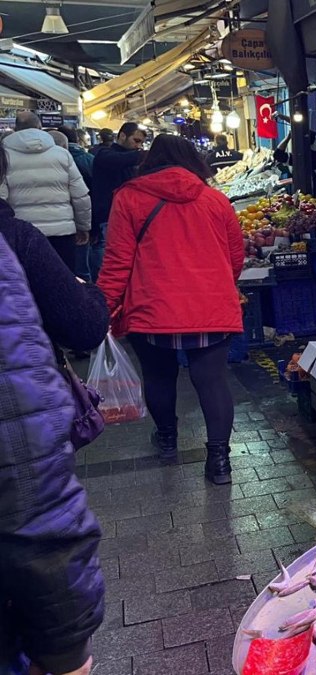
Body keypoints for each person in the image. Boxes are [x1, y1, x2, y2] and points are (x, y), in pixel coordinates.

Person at [0, 144, 108, 675]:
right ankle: (214, 453)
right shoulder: (15, 244)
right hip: (60, 245)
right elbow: (26, 473)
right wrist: (67, 646)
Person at [97, 135, 244, 485]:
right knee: (212, 381)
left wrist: (103, 306)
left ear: (149, 161)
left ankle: (166, 440)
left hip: (152, 309)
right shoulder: (215, 200)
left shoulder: (129, 199)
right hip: (209, 307)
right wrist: (217, 284)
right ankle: (219, 461)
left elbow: (118, 261)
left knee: (159, 377)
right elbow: (234, 257)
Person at [0, 111, 91, 268]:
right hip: (62, 232)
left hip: (23, 234)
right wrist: (83, 226)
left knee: (30, 286)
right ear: (40, 127)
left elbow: (2, 198)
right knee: (65, 283)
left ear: (16, 128)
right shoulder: (63, 154)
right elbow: (80, 195)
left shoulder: (5, 157)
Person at [89, 122, 146, 281]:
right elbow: (118, 160)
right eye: (136, 140)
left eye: (141, 142)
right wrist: (147, 154)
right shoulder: (104, 154)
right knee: (111, 262)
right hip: (108, 217)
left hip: (130, 218)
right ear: (122, 136)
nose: (138, 145)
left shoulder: (130, 158)